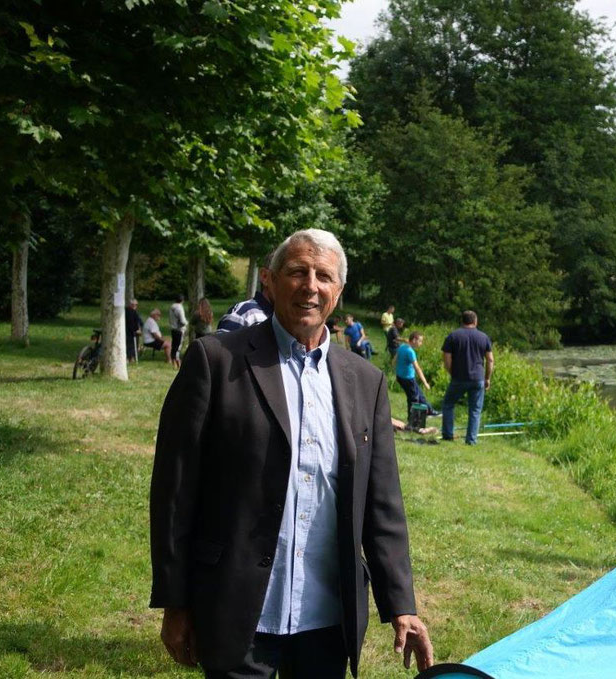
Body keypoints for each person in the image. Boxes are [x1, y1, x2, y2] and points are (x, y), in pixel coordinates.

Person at [150, 229, 433, 678]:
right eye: (298, 272)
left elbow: (381, 503)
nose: (311, 286)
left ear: (337, 293)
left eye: (324, 276)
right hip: (237, 609)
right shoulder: (215, 360)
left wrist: (401, 603)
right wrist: (175, 602)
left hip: (326, 615)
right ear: (270, 281)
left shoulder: (366, 381)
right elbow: (174, 491)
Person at [440, 310, 494, 445]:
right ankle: (471, 440)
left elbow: (446, 359)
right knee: (475, 410)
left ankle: (447, 435)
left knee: (448, 404)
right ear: (475, 321)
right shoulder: (483, 337)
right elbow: (490, 360)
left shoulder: (453, 336)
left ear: (462, 321)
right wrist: (487, 378)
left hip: (459, 377)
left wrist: (452, 372)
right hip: (478, 378)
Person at [217, 261, 274, 333]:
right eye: (290, 274)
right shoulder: (243, 315)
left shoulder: (287, 319)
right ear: (265, 276)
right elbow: (219, 343)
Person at [395, 332, 439, 419]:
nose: (421, 343)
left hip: (400, 377)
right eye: (420, 341)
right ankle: (412, 420)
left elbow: (394, 360)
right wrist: (425, 383)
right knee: (413, 398)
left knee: (419, 394)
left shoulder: (402, 347)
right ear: (414, 340)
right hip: (408, 379)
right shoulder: (410, 352)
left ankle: (430, 411)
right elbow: (417, 368)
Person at [168, 294, 187, 368]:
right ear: (182, 300)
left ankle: (173, 362)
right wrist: (186, 323)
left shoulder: (171, 307)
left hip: (173, 328)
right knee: (178, 346)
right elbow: (182, 320)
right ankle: (178, 362)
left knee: (174, 345)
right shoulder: (180, 308)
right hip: (179, 329)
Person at [125, 299, 143, 363]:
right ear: (130, 305)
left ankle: (132, 357)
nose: (135, 306)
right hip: (129, 332)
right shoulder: (129, 311)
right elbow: (130, 322)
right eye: (133, 304)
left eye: (136, 305)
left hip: (133, 331)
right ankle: (128, 358)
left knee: (134, 344)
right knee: (129, 345)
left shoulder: (134, 312)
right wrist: (136, 330)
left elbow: (139, 322)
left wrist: (139, 328)